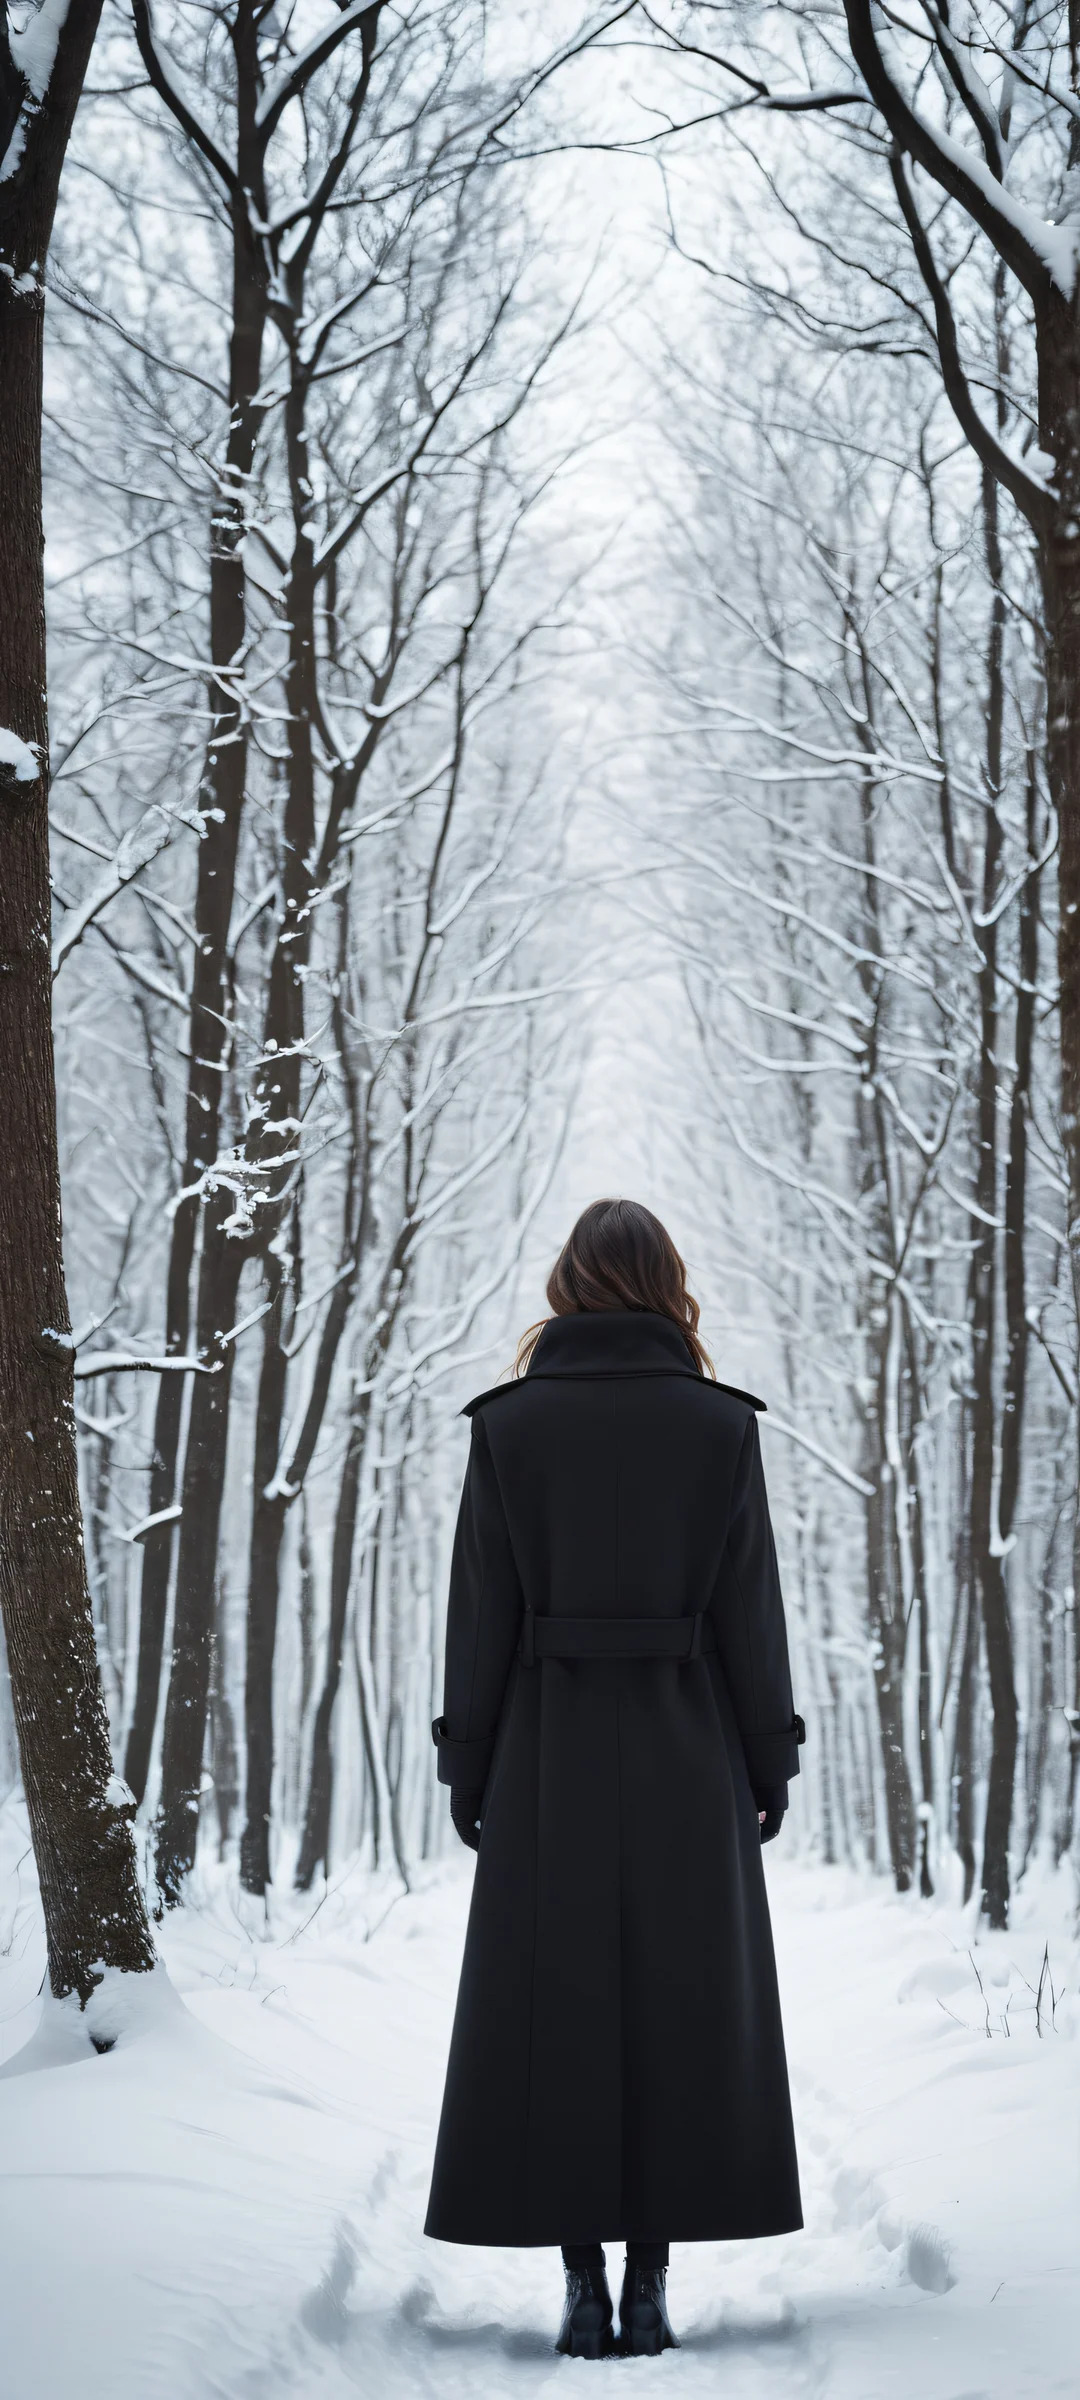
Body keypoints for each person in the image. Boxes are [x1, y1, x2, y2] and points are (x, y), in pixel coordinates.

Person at [425, 1198, 805, 2357]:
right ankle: (650, 2283)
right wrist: (767, 1757)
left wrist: (469, 1761)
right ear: (665, 1282)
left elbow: (483, 1612)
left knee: (561, 2005)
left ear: (569, 1283)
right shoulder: (720, 1426)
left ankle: (582, 2284)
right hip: (691, 1749)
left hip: (548, 1751)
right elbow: (750, 1608)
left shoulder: (508, 1426)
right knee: (679, 2004)